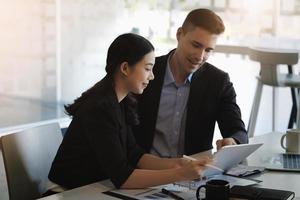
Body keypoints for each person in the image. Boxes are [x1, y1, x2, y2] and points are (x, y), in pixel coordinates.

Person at [47, 33, 212, 192]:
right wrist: (180, 174)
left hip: (91, 188)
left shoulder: (121, 100)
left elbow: (135, 155)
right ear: (125, 68)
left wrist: (181, 163)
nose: (152, 76)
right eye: (148, 69)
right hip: (66, 193)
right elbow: (123, 178)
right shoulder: (99, 108)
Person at [132, 9, 248, 158]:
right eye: (196, 45)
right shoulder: (146, 72)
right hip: (146, 173)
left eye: (208, 50)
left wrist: (232, 141)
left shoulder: (218, 82)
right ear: (179, 34)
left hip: (193, 176)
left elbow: (238, 131)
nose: (200, 57)